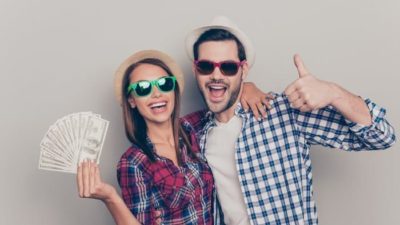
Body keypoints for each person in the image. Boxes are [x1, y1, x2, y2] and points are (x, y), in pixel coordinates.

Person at [183, 16, 396, 225]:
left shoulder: (284, 114)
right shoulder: (194, 133)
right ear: (195, 70)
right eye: (206, 66)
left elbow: (381, 136)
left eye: (228, 67)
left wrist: (334, 93)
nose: (216, 75)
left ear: (243, 70)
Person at [76, 49, 270, 225]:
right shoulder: (133, 163)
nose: (156, 93)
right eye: (143, 88)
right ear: (132, 100)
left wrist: (248, 87)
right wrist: (110, 198)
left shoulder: (194, 127)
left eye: (164, 84)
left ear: (174, 91)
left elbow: (225, 100)